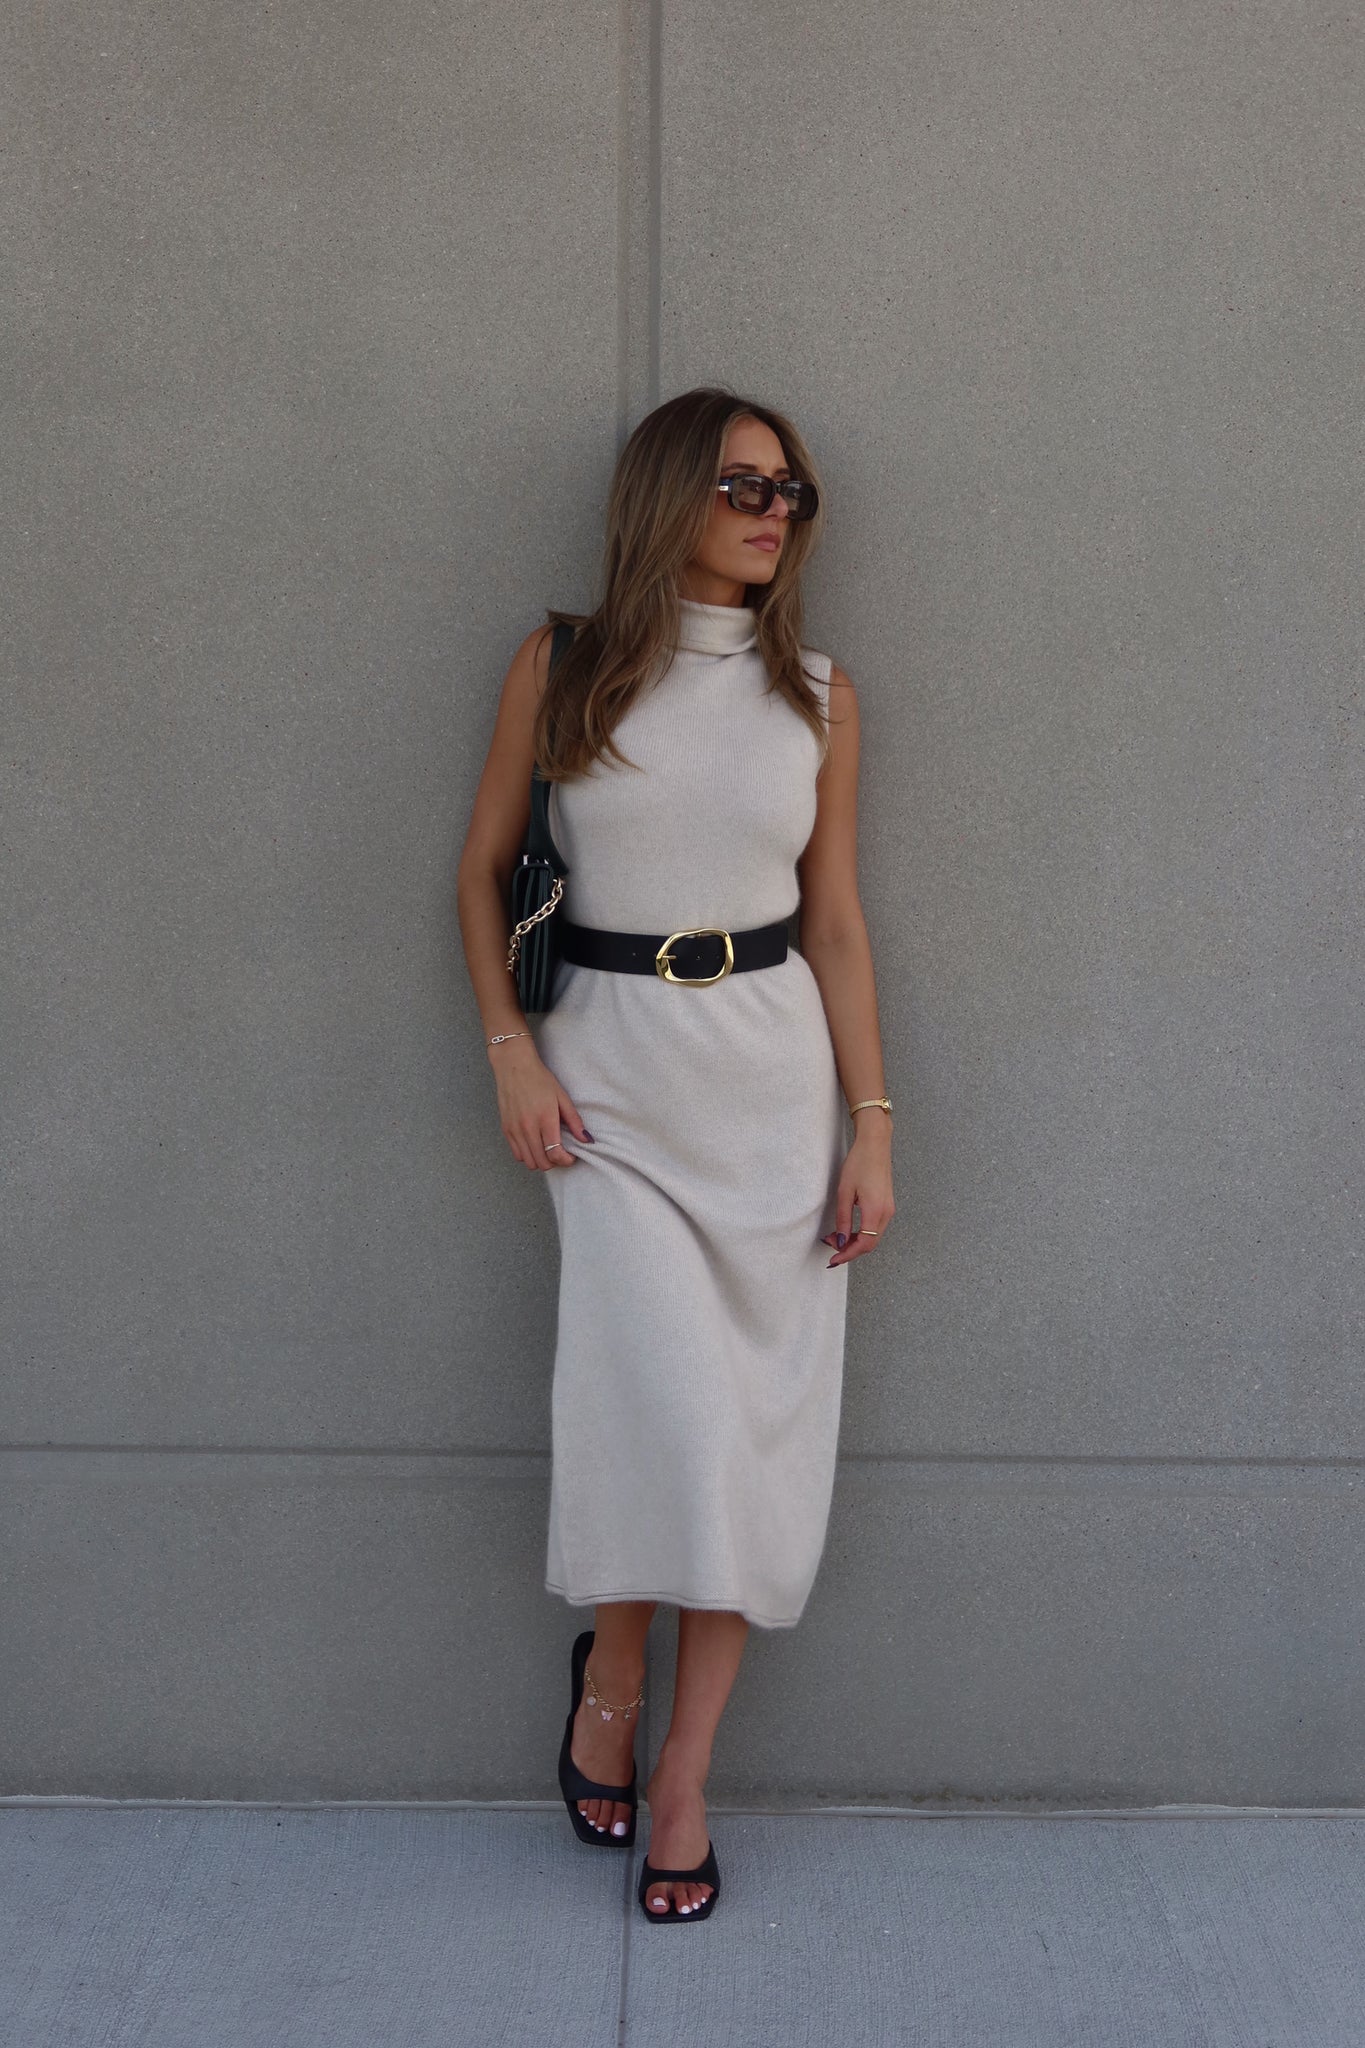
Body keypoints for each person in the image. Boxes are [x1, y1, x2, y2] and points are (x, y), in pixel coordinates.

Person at [456, 386, 895, 1924]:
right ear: (667, 496)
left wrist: (871, 1129)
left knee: (750, 1443)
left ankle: (685, 1777)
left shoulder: (820, 697)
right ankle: (613, 1677)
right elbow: (478, 871)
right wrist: (510, 1050)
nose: (775, 511)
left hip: (770, 1088)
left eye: (791, 490)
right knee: (665, 1413)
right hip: (611, 1089)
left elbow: (835, 925)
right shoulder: (562, 663)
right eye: (742, 484)